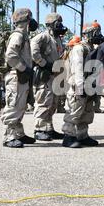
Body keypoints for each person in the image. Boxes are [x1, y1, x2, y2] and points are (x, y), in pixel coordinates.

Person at [61, 24, 104, 148]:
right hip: (79, 86)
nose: (98, 35)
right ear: (88, 33)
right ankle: (68, 136)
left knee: (87, 112)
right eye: (96, 32)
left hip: (90, 85)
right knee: (75, 111)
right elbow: (77, 69)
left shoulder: (92, 48)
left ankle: (82, 135)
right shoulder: (79, 48)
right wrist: (80, 88)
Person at [1, 8, 37, 148]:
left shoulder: (24, 35)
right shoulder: (18, 35)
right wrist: (24, 68)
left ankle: (18, 134)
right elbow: (10, 55)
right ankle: (9, 137)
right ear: (26, 20)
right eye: (30, 18)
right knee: (14, 106)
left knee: (21, 106)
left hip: (22, 76)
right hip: (16, 76)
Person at [31, 13, 66, 141]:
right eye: (58, 23)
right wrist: (44, 64)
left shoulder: (57, 39)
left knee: (52, 103)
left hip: (55, 75)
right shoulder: (43, 37)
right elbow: (33, 51)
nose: (60, 26)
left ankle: (48, 128)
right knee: (43, 102)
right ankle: (39, 128)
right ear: (51, 24)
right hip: (45, 75)